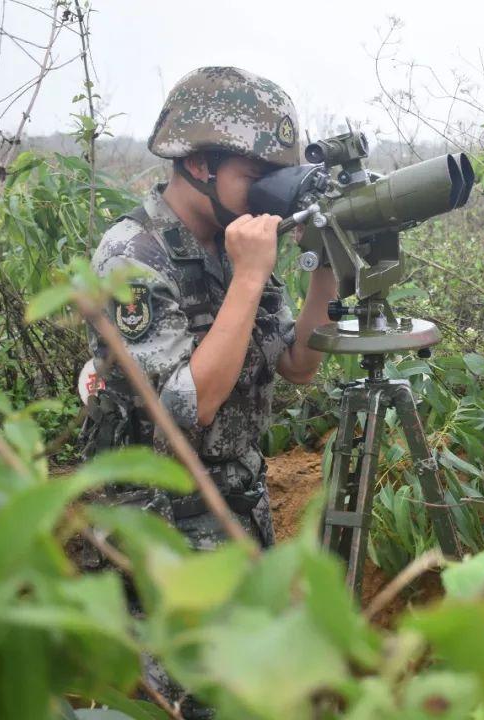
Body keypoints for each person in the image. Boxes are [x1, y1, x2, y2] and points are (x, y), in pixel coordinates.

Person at [81, 65, 335, 550]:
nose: (269, 196)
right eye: (257, 178)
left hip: (238, 509)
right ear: (200, 165)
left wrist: (323, 260)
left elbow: (298, 364)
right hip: (160, 529)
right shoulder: (131, 257)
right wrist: (249, 276)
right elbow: (188, 406)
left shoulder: (229, 242)